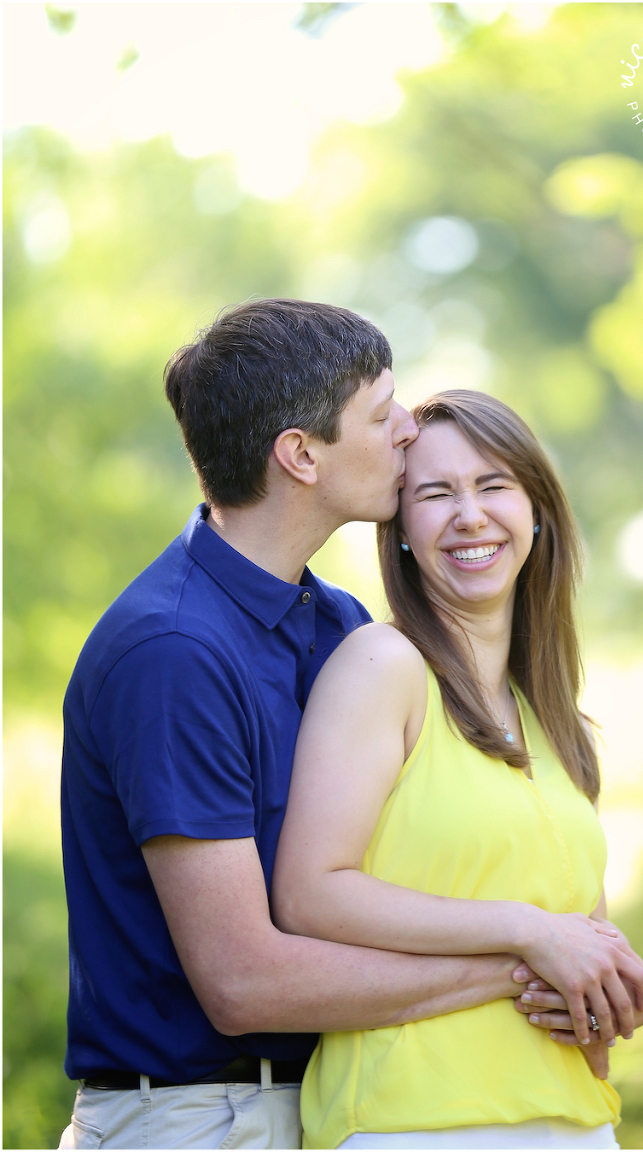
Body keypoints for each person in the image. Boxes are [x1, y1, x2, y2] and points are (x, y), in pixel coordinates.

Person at [58, 303, 542, 1151]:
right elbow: (245, 983)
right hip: (199, 1120)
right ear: (301, 454)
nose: (406, 432)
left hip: (318, 1104)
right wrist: (522, 967)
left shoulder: (340, 626)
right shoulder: (172, 653)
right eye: (382, 411)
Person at [272, 390, 643, 1150]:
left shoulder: (554, 717)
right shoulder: (381, 665)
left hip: (575, 1123)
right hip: (413, 1123)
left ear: (537, 509)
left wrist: (639, 989)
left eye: (493, 485)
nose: (470, 515)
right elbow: (308, 893)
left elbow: (584, 932)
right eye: (435, 493)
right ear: (400, 533)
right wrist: (525, 932)